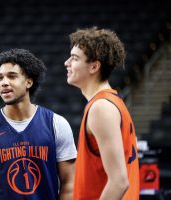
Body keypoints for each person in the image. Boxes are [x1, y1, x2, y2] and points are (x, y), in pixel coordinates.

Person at [0, 49, 77, 200]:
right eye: (0, 78)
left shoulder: (56, 124)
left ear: (29, 82)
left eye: (12, 76)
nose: (4, 83)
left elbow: (69, 183)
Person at [64, 27, 140, 199]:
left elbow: (119, 182)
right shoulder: (111, 102)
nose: (66, 63)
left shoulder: (101, 108)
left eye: (74, 58)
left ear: (94, 66)